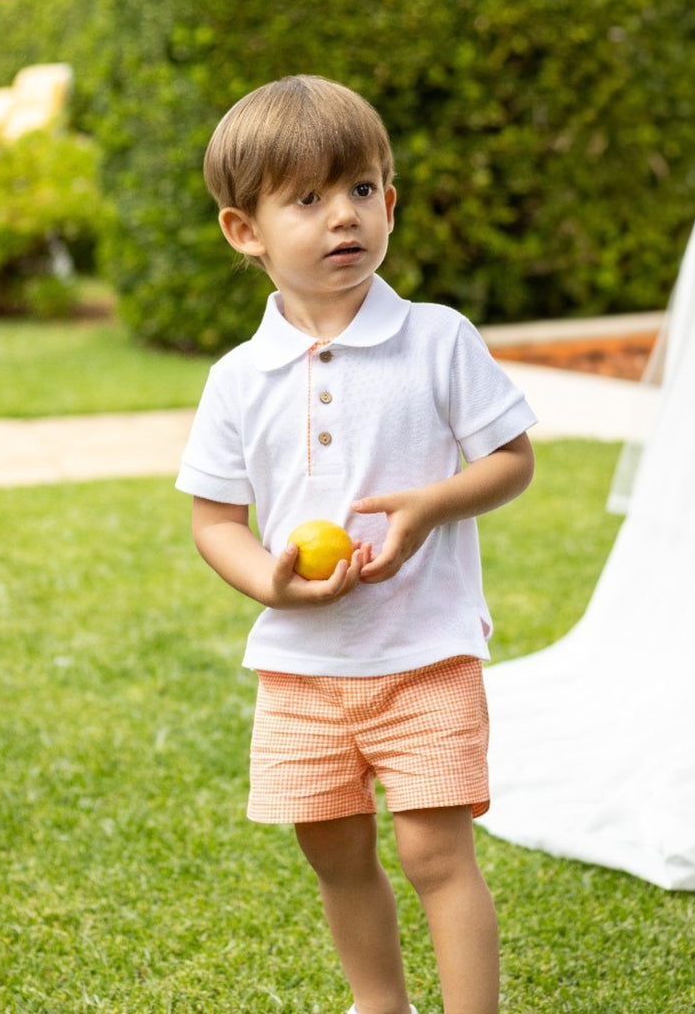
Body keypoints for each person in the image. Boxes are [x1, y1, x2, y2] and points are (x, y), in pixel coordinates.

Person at [175, 75, 536, 1014]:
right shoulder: (237, 378)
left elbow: (511, 460)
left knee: (433, 854)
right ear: (243, 231)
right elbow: (215, 519)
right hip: (302, 668)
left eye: (363, 190)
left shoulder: (437, 340)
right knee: (334, 853)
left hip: (426, 654)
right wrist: (274, 585)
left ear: (391, 203)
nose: (345, 216)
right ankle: (380, 1004)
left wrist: (431, 507)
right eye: (308, 198)